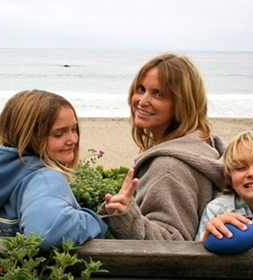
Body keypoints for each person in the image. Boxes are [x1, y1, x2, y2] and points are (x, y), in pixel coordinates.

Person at [97, 53, 226, 240]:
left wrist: (126, 217)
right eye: (141, 89)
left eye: (158, 94)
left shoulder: (169, 168)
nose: (142, 101)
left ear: (182, 103)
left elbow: (171, 244)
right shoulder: (201, 143)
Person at [0, 89, 108, 250]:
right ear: (28, 136)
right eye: (58, 134)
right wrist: (96, 220)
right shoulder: (45, 178)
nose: (72, 139)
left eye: (74, 129)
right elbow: (46, 233)